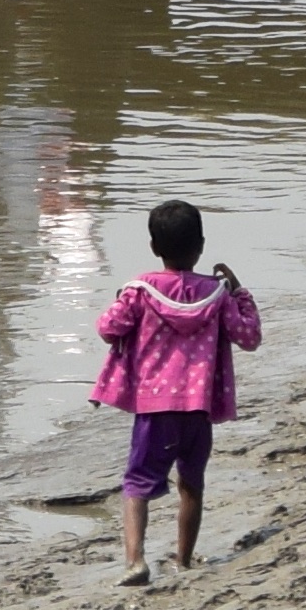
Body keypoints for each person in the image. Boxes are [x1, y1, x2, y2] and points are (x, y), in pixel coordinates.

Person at [90, 198, 260, 585]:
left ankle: (135, 561)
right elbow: (249, 337)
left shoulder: (140, 291)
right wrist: (239, 292)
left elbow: (107, 328)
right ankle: (183, 560)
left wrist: (121, 298)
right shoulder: (217, 296)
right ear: (200, 245)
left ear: (154, 247)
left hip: (155, 408)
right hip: (198, 409)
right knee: (192, 485)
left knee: (136, 485)